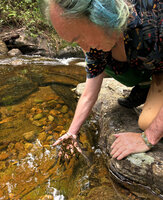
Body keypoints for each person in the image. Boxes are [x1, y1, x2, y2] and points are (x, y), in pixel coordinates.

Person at [42, 0, 163, 160]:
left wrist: (148, 138)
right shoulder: (96, 46)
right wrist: (71, 133)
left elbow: (150, 135)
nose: (85, 49)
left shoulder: (152, 22)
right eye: (76, 43)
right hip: (149, 61)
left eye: (80, 37)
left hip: (157, 61)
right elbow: (89, 93)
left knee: (148, 124)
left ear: (101, 16)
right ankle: (145, 85)